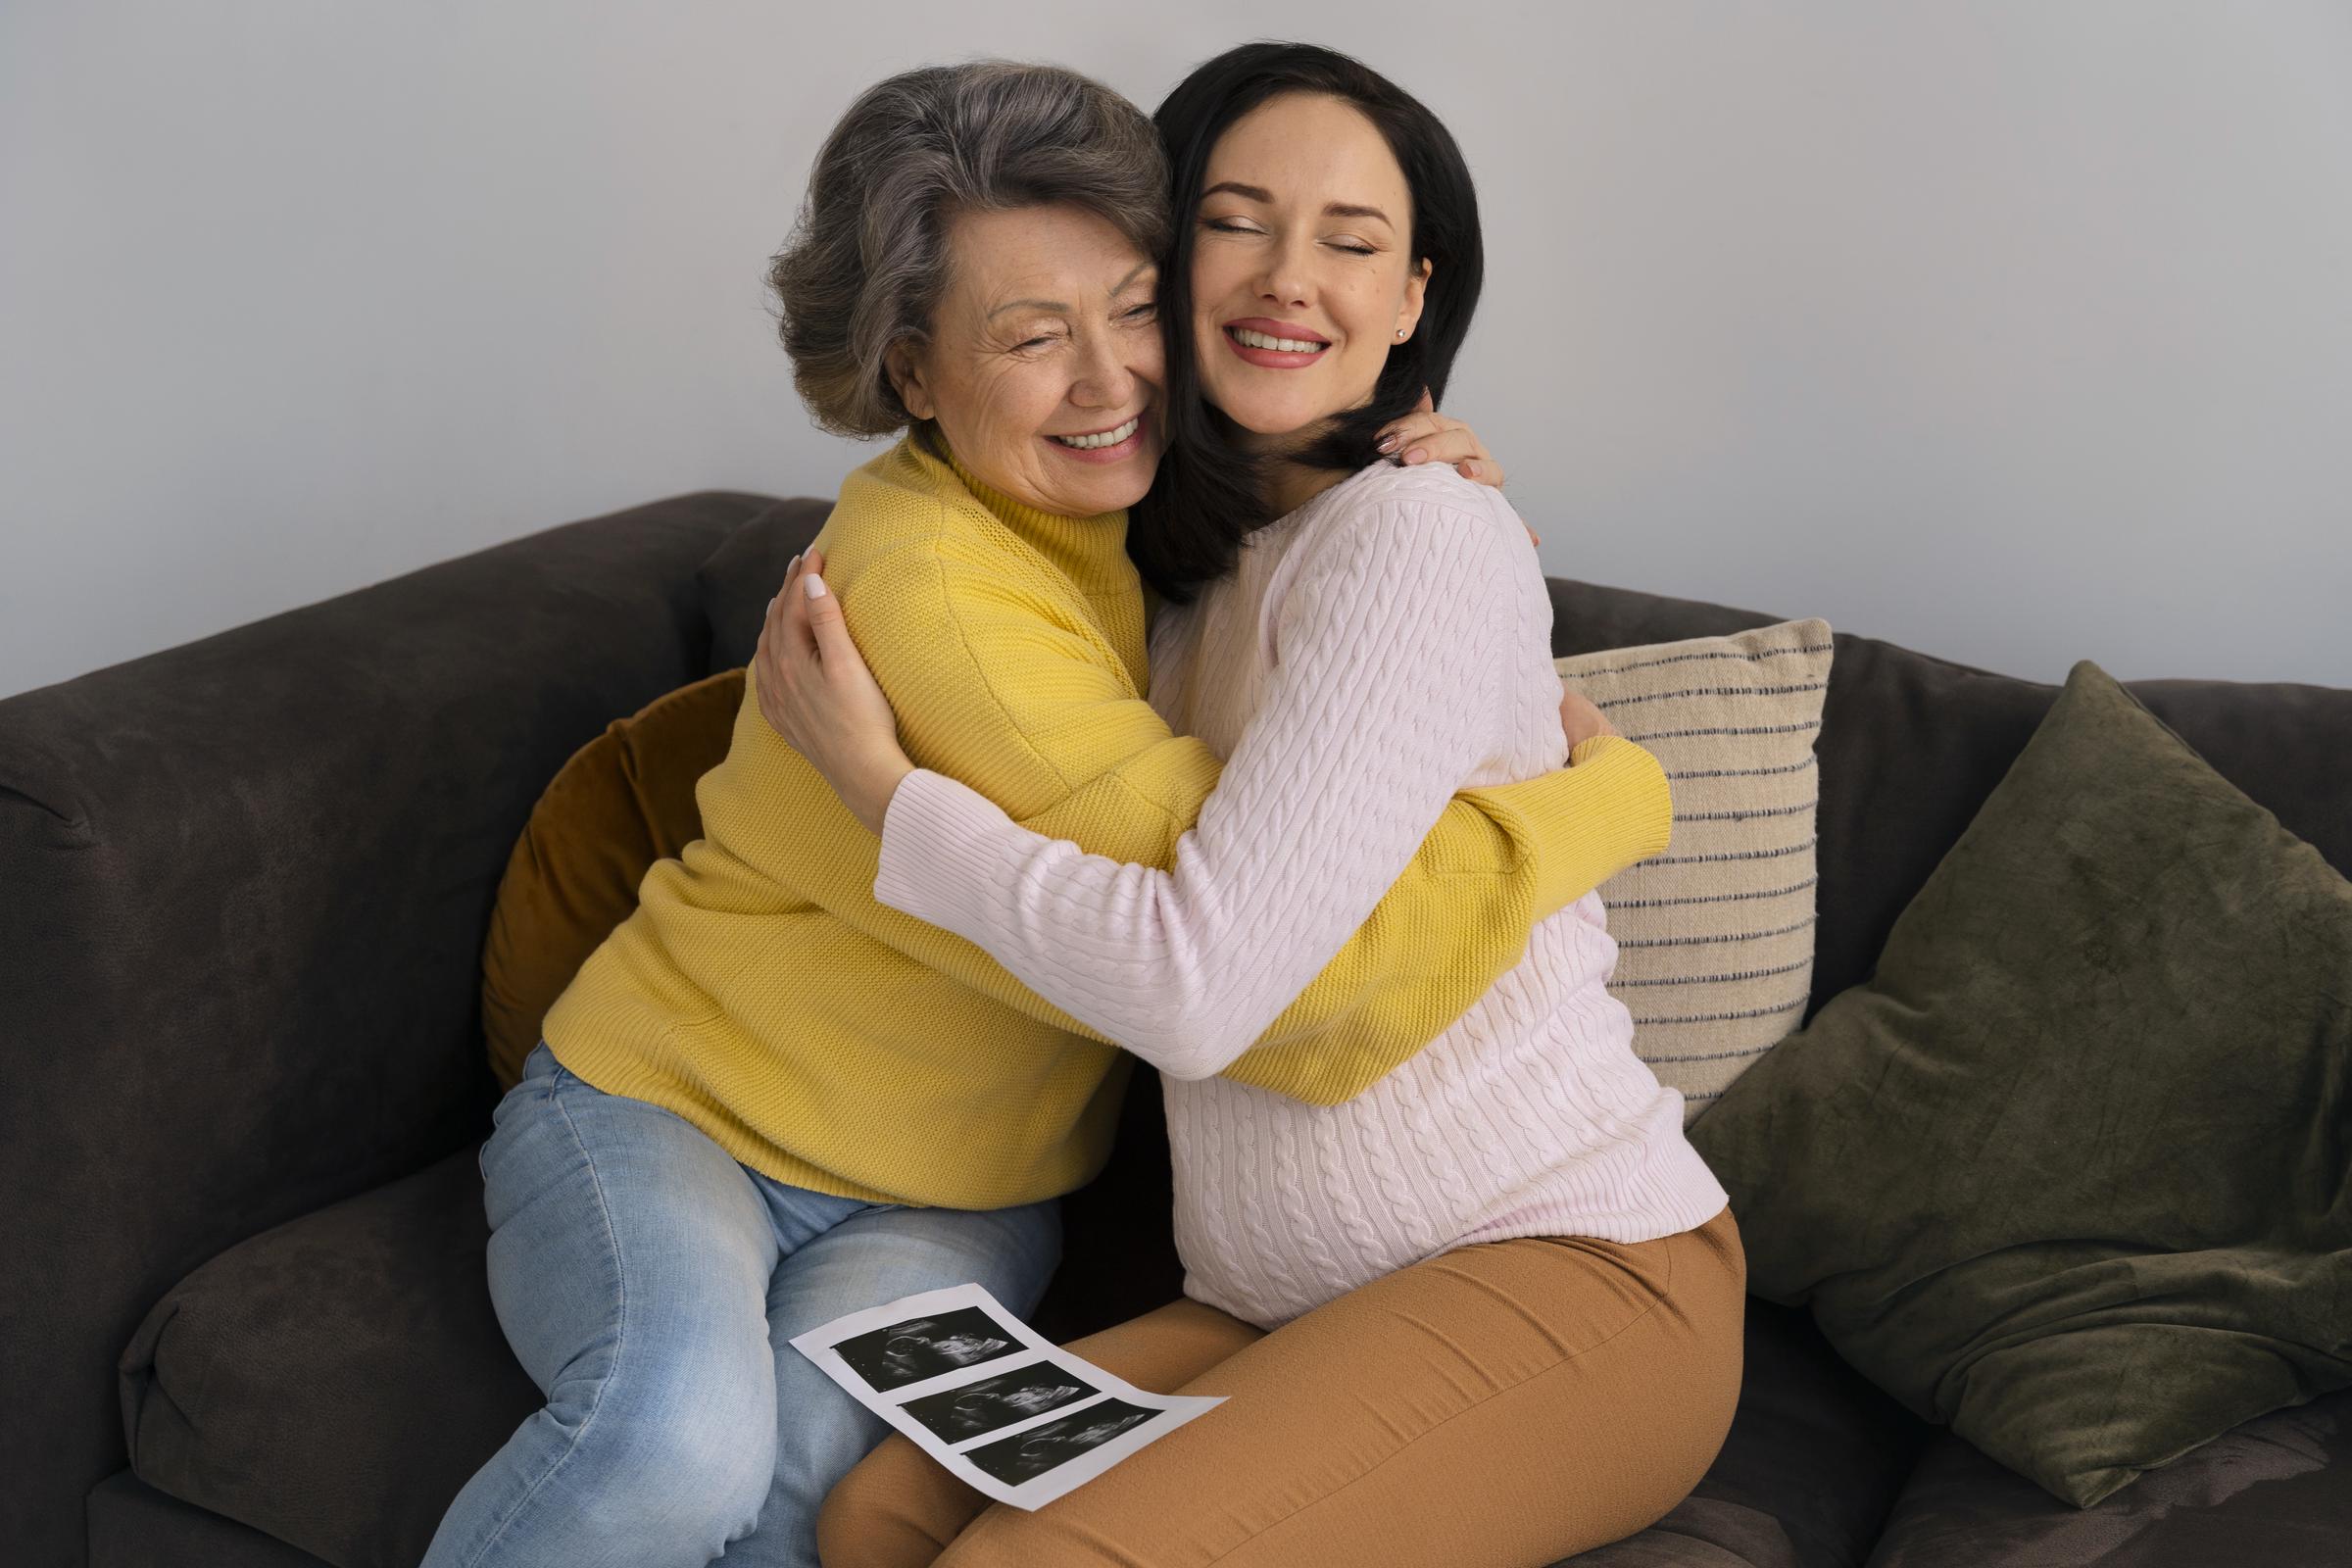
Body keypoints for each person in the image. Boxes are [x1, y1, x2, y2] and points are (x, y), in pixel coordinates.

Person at [421, 59, 1662, 1568]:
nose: (1109, 379)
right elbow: (1278, 987)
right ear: (914, 376)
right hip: (680, 1111)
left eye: (1130, 308)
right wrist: (1607, 801)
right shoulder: (943, 587)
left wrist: (1425, 516)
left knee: (824, 1492)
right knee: (681, 1444)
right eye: (1028, 336)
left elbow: (1359, 595)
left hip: (962, 1192)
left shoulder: (1162, 528)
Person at [759, 44, 1746, 1568]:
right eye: (1239, 220)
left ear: (1412, 300)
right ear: (1163, 256)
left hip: (1572, 1270)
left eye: (1351, 241)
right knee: (883, 1511)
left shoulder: (1417, 537)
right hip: (1280, 1307)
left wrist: (892, 802)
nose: (1292, 277)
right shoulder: (1175, 584)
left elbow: (1202, 990)